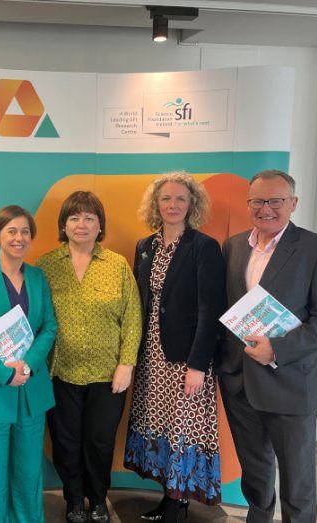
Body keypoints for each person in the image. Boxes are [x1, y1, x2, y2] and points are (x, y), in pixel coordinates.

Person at [221, 169, 317, 523]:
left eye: (276, 200)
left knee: (298, 483)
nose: (266, 209)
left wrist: (277, 349)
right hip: (241, 383)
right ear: (249, 204)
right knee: (256, 474)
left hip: (292, 384)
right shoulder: (233, 245)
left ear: (293, 203)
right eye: (258, 201)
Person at [123, 173, 226, 521]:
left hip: (186, 360)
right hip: (152, 355)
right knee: (162, 427)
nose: (173, 205)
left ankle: (176, 504)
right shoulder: (144, 246)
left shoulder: (204, 246)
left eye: (181, 199)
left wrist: (198, 365)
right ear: (156, 204)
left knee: (182, 429)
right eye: (166, 198)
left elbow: (211, 310)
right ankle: (169, 497)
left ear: (192, 205)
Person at [37, 191, 142, 523]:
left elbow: (133, 318)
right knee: (66, 443)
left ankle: (97, 500)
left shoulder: (117, 265)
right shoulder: (46, 266)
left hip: (108, 374)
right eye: (73, 218)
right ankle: (73, 501)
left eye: (89, 218)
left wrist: (126, 364)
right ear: (63, 225)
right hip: (59, 373)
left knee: (99, 442)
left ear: (100, 225)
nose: (81, 225)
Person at [0, 205, 57, 523]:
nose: (19, 238)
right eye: (12, 231)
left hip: (31, 389)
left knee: (28, 471)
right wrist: (4, 372)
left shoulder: (38, 277)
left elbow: (49, 326)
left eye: (25, 231)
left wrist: (27, 365)